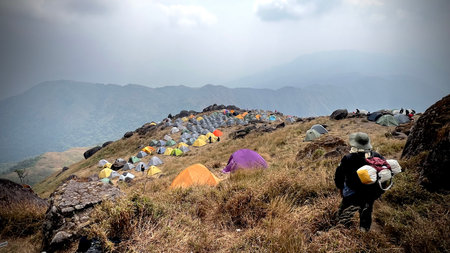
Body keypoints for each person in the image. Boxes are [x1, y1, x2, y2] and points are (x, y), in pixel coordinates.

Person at [334, 132, 385, 232]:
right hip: (370, 194)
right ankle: (364, 232)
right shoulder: (376, 156)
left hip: (352, 193)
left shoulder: (348, 158)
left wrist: (340, 188)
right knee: (366, 212)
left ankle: (343, 233)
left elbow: (339, 176)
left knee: (344, 216)